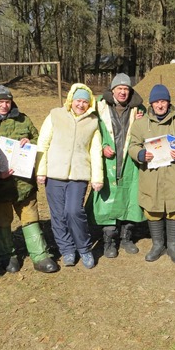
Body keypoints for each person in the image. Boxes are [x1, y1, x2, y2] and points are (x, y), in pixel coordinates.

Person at [0, 85, 58, 274]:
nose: (4, 105)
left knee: (31, 218)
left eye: (7, 101)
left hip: (24, 183)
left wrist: (31, 143)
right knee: (2, 220)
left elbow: (40, 140)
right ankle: (7, 256)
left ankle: (40, 255)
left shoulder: (24, 120)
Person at [36, 83, 104, 269]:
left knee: (74, 211)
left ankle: (84, 248)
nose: (80, 105)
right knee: (58, 215)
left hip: (79, 174)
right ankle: (67, 249)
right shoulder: (55, 115)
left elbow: (96, 150)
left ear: (89, 103)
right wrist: (40, 170)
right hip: (54, 174)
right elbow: (43, 142)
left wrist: (97, 177)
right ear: (71, 100)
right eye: (78, 101)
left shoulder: (92, 122)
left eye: (84, 102)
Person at [128, 84, 175, 264]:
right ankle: (157, 244)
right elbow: (132, 146)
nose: (160, 105)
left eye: (163, 101)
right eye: (156, 102)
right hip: (151, 176)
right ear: (151, 104)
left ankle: (173, 246)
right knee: (153, 210)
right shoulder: (140, 124)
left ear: (168, 102)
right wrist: (141, 154)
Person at [87, 73, 146, 258]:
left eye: (126, 89)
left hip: (130, 161)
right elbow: (91, 131)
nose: (122, 92)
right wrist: (102, 145)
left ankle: (126, 237)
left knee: (130, 197)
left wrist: (141, 122)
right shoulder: (99, 106)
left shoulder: (138, 109)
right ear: (112, 90)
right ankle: (109, 241)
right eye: (119, 88)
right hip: (108, 161)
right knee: (108, 199)